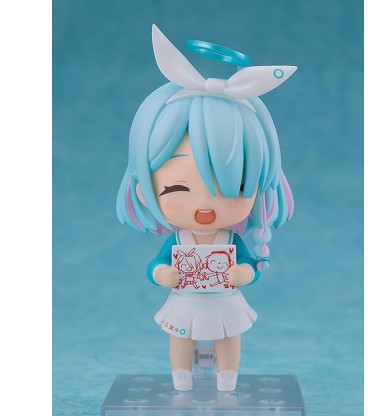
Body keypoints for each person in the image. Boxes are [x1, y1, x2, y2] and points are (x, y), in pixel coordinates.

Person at [116, 25, 296, 392]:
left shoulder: (230, 238)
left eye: (234, 188)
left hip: (225, 300)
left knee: (229, 335)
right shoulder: (179, 240)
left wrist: (245, 273)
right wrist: (162, 274)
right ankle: (180, 374)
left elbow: (250, 263)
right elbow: (157, 264)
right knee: (180, 335)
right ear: (145, 190)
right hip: (184, 300)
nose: (205, 207)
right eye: (177, 188)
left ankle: (227, 375)